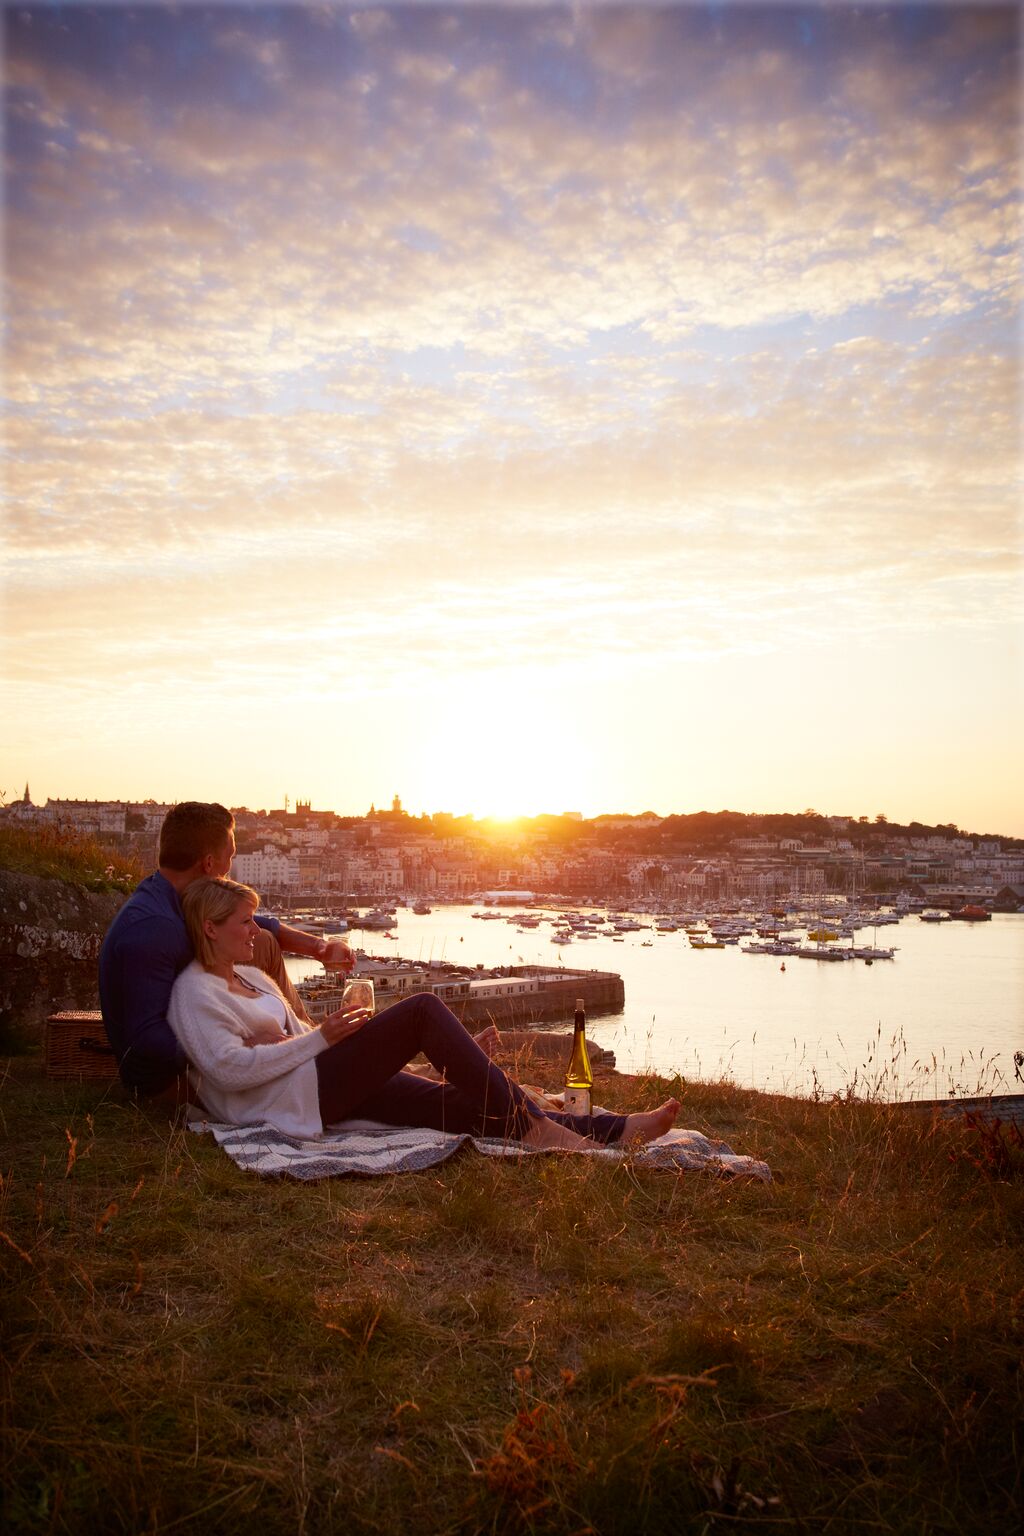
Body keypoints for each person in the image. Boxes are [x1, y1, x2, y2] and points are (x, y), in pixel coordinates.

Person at [169, 877, 682, 1150]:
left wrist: (318, 1043)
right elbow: (228, 1070)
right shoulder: (195, 993)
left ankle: (611, 1130)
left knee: (456, 1103)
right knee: (421, 1012)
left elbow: (293, 1042)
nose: (256, 931)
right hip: (298, 1096)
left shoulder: (253, 978)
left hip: (318, 1080)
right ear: (211, 928)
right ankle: (537, 1130)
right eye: (245, 922)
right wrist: (320, 1038)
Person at [98, 801, 354, 1101]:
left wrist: (319, 948)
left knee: (263, 941)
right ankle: (314, 1057)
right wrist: (243, 1044)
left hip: (204, 1037)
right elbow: (147, 1041)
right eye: (230, 857)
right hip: (170, 1080)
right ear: (208, 864)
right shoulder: (153, 929)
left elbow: (255, 923)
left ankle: (307, 1044)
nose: (229, 869)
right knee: (345, 1084)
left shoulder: (172, 896)